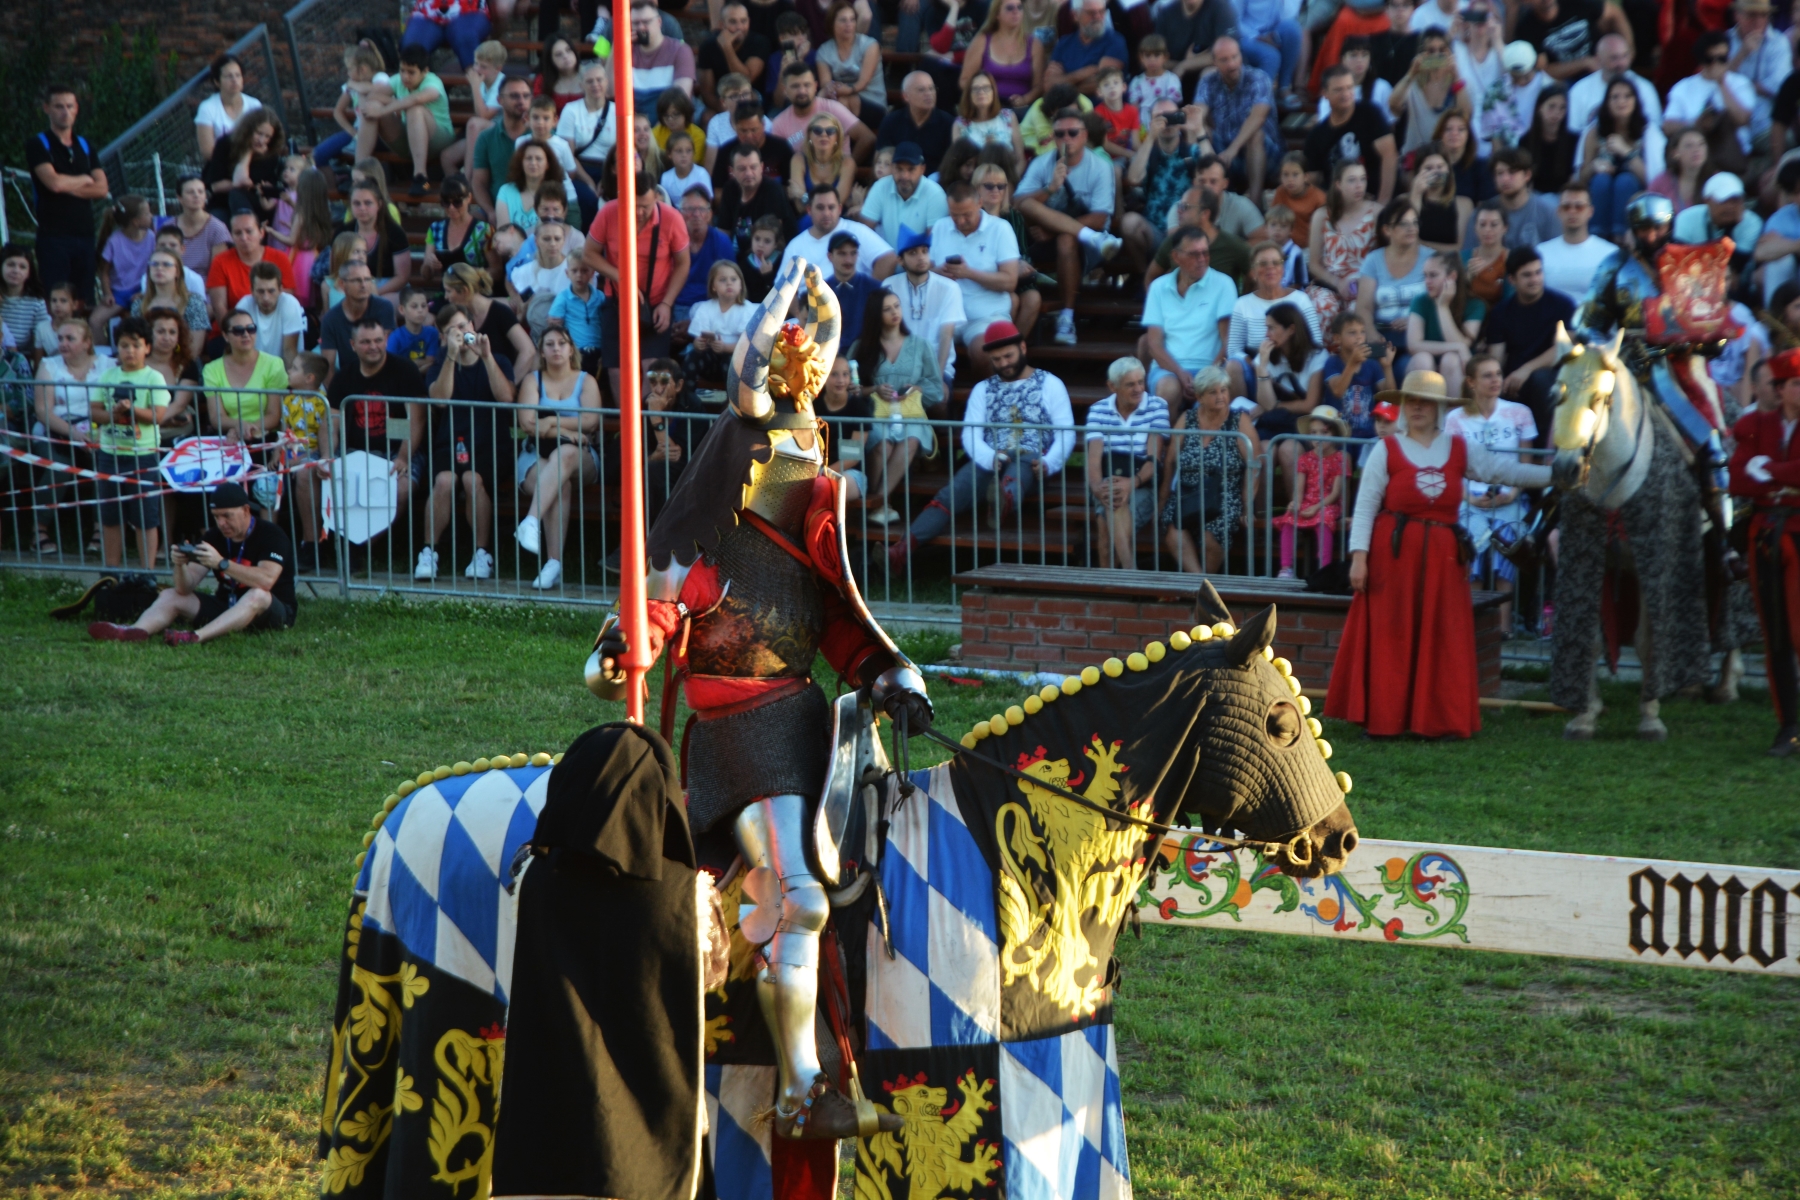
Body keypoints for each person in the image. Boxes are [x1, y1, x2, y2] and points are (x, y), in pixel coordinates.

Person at [590, 255, 926, 1148]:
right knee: (797, 896)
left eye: (812, 444)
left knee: (856, 874)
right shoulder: (709, 552)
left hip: (810, 732)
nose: (805, 458)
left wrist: (894, 677)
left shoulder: (807, 552)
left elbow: (845, 634)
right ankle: (800, 1093)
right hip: (739, 744)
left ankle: (853, 1034)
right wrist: (624, 647)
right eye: (791, 446)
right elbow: (649, 625)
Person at [884, 319, 1073, 569]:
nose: (1004, 363)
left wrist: (1050, 463)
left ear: (1023, 349)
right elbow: (971, 435)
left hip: (1033, 458)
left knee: (1016, 475)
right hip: (991, 458)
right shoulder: (982, 389)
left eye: (1008, 356)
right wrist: (989, 458)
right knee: (949, 495)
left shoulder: (1051, 384)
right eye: (997, 359)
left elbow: (1066, 433)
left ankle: (1003, 501)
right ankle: (901, 550)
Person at [91, 481, 299, 645]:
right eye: (216, 517)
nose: (221, 523)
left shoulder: (272, 535)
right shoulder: (214, 536)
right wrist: (180, 565)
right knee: (169, 594)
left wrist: (223, 564)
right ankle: (135, 631)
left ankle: (196, 636)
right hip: (227, 606)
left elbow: (266, 580)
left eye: (227, 516)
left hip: (271, 611)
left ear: (245, 510)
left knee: (258, 595)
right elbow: (184, 588)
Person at [1727, 344, 1800, 756]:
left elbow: (1759, 472)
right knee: (1776, 636)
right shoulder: (1756, 424)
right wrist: (1783, 482)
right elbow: (1738, 479)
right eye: (1793, 384)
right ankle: (1788, 725)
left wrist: (1769, 471)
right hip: (1765, 535)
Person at [414, 305, 514, 582]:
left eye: (462, 326)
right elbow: (440, 399)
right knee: (444, 480)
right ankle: (428, 552)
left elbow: (506, 398)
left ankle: (482, 554)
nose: (460, 333)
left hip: (491, 444)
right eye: (451, 331)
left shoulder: (499, 359)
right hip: (451, 443)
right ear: (444, 338)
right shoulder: (441, 364)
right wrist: (450, 358)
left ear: (472, 324)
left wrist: (487, 356)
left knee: (472, 479)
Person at [1446, 354, 1536, 629]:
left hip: (1509, 499)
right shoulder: (1455, 418)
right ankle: (1473, 627)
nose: (1496, 379)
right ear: (1471, 382)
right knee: (1471, 550)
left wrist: (1512, 492)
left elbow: (1526, 464)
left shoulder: (1520, 413)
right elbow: (1452, 468)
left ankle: (1502, 629)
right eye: (1487, 375)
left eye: (1498, 373)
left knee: (1505, 550)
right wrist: (1469, 497)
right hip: (1469, 500)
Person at [1016, 110, 1121, 346]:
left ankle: (1067, 316)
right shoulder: (1042, 163)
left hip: (1083, 244)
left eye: (1073, 133)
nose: (1067, 139)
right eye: (1060, 134)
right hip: (1043, 240)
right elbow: (1018, 204)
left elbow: (1100, 217)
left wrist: (1054, 230)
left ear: (1084, 136)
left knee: (1066, 238)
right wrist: (1050, 188)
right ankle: (1088, 237)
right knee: (1029, 202)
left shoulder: (1100, 166)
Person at [587, 170, 692, 397]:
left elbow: (683, 264)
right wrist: (623, 280)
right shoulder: (608, 213)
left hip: (656, 303)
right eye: (633, 205)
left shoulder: (672, 219)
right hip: (617, 300)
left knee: (651, 368)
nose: (638, 212)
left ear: (656, 197)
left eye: (645, 206)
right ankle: (624, 427)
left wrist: (666, 303)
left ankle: (645, 424)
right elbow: (589, 254)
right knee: (616, 370)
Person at [513, 326, 602, 590]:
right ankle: (554, 563)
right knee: (559, 482)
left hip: (581, 456)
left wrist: (550, 419)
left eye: (561, 343)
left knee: (565, 454)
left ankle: (530, 520)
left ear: (571, 348)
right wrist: (564, 429)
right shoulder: (533, 380)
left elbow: (591, 421)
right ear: (541, 351)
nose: (556, 349)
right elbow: (528, 424)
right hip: (535, 453)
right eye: (549, 344)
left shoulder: (586, 380)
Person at [325, 316, 426, 531]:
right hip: (351, 450)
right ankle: (312, 543)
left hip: (396, 450)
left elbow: (416, 419)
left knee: (402, 488)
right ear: (353, 345)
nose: (373, 347)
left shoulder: (405, 370)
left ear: (386, 340)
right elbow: (331, 424)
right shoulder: (344, 377)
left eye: (378, 340)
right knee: (307, 475)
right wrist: (326, 457)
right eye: (365, 342)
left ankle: (364, 546)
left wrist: (403, 457)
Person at [851, 288, 945, 519]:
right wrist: (874, 389)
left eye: (897, 306)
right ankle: (883, 505)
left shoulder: (920, 345)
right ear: (876, 314)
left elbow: (936, 387)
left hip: (911, 414)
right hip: (877, 415)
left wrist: (916, 389)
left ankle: (878, 504)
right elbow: (851, 391)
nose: (894, 312)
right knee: (883, 445)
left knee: (910, 440)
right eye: (887, 309)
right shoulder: (862, 346)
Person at [1157, 365, 1257, 572]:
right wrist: (1163, 497)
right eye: (1213, 392)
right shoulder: (1188, 419)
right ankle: (1200, 583)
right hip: (1187, 491)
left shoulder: (1239, 421)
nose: (1221, 396)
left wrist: (1247, 506)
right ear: (1200, 397)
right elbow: (1170, 461)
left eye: (1224, 390)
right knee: (1173, 528)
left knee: (1211, 536)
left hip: (1224, 493)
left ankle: (1202, 587)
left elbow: (1254, 464)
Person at [89, 318, 170, 570]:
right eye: (124, 345)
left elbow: (158, 416)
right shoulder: (108, 376)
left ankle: (147, 573)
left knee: (146, 517)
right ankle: (111, 570)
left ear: (147, 347)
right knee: (111, 517)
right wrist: (113, 413)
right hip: (109, 454)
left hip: (143, 455)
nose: (130, 351)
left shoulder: (154, 377)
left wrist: (131, 410)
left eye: (135, 345)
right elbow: (95, 413)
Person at [27, 318, 109, 553]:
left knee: (103, 464)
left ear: (86, 342)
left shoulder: (106, 364)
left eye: (70, 338)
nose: (62, 343)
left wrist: (100, 434)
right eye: (60, 338)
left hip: (98, 432)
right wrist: (74, 434)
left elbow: (112, 404)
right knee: (58, 467)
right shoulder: (48, 365)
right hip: (56, 431)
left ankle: (100, 529)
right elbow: (43, 411)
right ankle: (39, 530)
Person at [1084, 357, 1168, 569]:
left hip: (1142, 481)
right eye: (1130, 384)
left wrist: (1130, 483)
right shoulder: (1098, 409)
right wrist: (1097, 488)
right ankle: (1129, 579)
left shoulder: (1157, 406)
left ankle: (1115, 585)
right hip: (1106, 479)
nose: (1138, 388)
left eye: (1141, 382)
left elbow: (1153, 459)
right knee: (1112, 498)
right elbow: (1093, 460)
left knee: (1106, 527)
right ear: (1112, 386)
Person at [1481, 245, 1574, 435]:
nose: (1535, 279)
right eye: (1527, 275)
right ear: (1512, 280)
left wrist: (1526, 370)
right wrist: (1497, 381)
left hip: (1551, 376)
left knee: (1539, 380)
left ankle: (1544, 450)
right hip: (1513, 381)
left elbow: (1564, 347)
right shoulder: (1501, 312)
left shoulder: (1563, 305)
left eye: (1538, 272)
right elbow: (1496, 357)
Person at [1143, 226, 1239, 410]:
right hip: (1168, 369)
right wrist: (1179, 372)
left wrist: (1207, 377)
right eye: (1194, 254)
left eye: (1205, 253)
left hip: (1211, 368)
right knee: (1167, 389)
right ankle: (1163, 439)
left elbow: (1228, 341)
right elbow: (1154, 344)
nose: (1202, 259)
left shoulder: (1223, 284)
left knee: (1209, 397)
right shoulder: (1158, 287)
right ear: (1176, 257)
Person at [28, 85, 108, 304]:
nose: (65, 112)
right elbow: (53, 184)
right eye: (59, 106)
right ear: (47, 108)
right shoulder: (38, 144)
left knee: (85, 300)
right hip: (53, 236)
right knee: (56, 299)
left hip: (84, 235)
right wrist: (83, 179)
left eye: (69, 106)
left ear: (76, 109)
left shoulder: (85, 145)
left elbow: (101, 188)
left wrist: (66, 184)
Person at [1228, 242, 1323, 397]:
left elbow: (1316, 342)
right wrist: (1259, 367)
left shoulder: (1301, 299)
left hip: (1296, 372)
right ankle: (1242, 416)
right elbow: (1234, 350)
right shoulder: (1242, 304)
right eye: (1263, 264)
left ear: (1283, 269)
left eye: (1275, 263)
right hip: (1257, 373)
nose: (1270, 267)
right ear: (1253, 272)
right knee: (1232, 366)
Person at [1193, 36, 1280, 201]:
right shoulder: (1208, 81)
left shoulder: (1258, 78)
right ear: (1214, 62)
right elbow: (1198, 114)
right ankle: (1208, 199)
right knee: (1202, 133)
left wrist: (1232, 150)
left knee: (1255, 135)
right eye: (1224, 60)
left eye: (1235, 57)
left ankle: (1255, 202)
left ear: (1241, 56)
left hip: (1264, 154)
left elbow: (1258, 117)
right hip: (1223, 151)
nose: (1232, 64)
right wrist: (1198, 127)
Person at [359, 45, 453, 197]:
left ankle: (420, 177)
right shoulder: (398, 80)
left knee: (415, 109)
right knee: (372, 107)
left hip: (438, 139)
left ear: (425, 71)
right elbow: (372, 96)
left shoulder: (433, 82)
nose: (405, 77)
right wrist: (387, 105)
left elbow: (416, 99)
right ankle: (359, 172)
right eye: (402, 70)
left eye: (411, 72)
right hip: (410, 139)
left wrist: (384, 109)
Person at [1579, 76, 1663, 238]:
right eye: (1615, 97)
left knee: (1625, 181)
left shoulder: (1647, 132)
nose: (1621, 101)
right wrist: (1593, 167)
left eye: (1627, 96)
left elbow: (1652, 181)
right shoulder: (1595, 132)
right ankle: (1597, 236)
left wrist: (1626, 152)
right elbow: (1580, 179)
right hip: (1600, 193)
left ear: (1635, 100)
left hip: (1637, 195)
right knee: (1601, 180)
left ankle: (1621, 238)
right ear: (1607, 102)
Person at [884, 226, 965, 392]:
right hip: (899, 369)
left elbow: (946, 335)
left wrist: (936, 379)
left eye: (924, 251)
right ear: (901, 260)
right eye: (913, 253)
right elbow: (885, 333)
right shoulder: (889, 286)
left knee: (940, 398)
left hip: (936, 367)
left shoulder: (949, 287)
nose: (921, 257)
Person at [1273, 406, 1349, 578]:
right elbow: (1299, 490)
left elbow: (1335, 493)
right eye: (1314, 432)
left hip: (1328, 503)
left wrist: (1316, 508)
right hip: (1308, 502)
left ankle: (1324, 570)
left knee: (1324, 519)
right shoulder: (1305, 458)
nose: (1318, 438)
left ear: (1335, 434)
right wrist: (1296, 503)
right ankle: (1286, 568)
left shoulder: (1340, 459)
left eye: (1324, 433)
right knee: (1288, 519)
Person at [1304, 66, 1397, 206]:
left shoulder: (1370, 114)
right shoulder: (1316, 136)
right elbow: (1313, 181)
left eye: (1349, 87)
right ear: (1324, 93)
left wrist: (1382, 204)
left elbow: (1390, 156)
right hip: (1338, 208)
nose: (1346, 94)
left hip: (1374, 200)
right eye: (1338, 89)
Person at [1303, 160, 1380, 328]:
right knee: (1324, 308)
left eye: (1363, 179)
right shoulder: (1322, 215)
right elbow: (1314, 264)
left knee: (1356, 316)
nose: (1359, 186)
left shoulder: (1376, 212)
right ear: (1338, 184)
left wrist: (1363, 282)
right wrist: (1338, 283)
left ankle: (1354, 355)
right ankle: (1324, 354)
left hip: (1364, 284)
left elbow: (1384, 257)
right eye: (1352, 180)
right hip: (1330, 283)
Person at [1664, 31, 1757, 163]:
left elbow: (1742, 119)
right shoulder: (1683, 87)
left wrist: (1721, 84)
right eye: (1710, 59)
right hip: (1694, 158)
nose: (1716, 64)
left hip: (1733, 156)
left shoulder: (1740, 83)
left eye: (1721, 59)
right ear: (1701, 60)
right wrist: (1695, 124)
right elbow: (1668, 126)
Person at [1404, 251, 1484, 397]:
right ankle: (1422, 416)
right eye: (1425, 275)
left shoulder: (1475, 305)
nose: (1427, 281)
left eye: (1433, 275)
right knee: (1423, 359)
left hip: (1459, 369)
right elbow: (1414, 345)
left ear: (1451, 277)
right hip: (1423, 365)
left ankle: (1452, 417)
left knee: (1451, 359)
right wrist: (1458, 347)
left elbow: (1463, 343)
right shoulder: (1420, 301)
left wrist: (1442, 307)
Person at [1356, 198, 1427, 363]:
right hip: (1382, 336)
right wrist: (1373, 335)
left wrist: (1414, 319)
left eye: (1414, 223)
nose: (1411, 229)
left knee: (1412, 365)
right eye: (1403, 224)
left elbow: (1439, 304)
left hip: (1418, 338)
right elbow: (1363, 308)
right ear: (1387, 230)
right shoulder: (1373, 261)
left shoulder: (1430, 259)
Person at [204, 308, 287, 446]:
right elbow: (216, 417)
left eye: (251, 329)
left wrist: (247, 429)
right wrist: (239, 425)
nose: (246, 334)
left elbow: (274, 415)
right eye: (238, 330)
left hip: (265, 438)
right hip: (230, 438)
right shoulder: (211, 369)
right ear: (225, 336)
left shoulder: (274, 364)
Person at [1387, 27, 1468, 159]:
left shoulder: (1457, 84)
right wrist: (1411, 73)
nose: (1436, 55)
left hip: (1447, 158)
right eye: (1430, 51)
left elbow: (1466, 115)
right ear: (1421, 53)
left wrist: (1456, 77)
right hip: (1415, 158)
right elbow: (1393, 105)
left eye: (1442, 50)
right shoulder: (1412, 85)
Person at [1511, 0, 1635, 83]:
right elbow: (1545, 70)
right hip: (1567, 81)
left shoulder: (1576, 2)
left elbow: (1615, 14)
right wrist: (1585, 63)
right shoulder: (1526, 28)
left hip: (1605, 63)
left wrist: (1629, 49)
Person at [961, 0, 1049, 115]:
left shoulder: (1035, 45)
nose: (1016, 12)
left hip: (1023, 109)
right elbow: (965, 80)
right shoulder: (981, 41)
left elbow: (1039, 86)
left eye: (1019, 7)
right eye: (1009, 8)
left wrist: (1025, 99)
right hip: (988, 108)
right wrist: (986, 96)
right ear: (997, 14)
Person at [782, 187, 894, 276]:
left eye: (831, 207)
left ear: (839, 209)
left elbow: (889, 258)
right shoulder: (795, 246)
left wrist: (870, 295)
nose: (826, 213)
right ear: (809, 210)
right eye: (820, 208)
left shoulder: (857, 230)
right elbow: (783, 288)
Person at [772, 62, 874, 161]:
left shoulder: (832, 109)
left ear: (815, 86)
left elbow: (867, 138)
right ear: (785, 90)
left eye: (807, 85)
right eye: (795, 86)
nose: (802, 91)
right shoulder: (779, 124)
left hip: (838, 175)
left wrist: (849, 168)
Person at [207, 212, 294, 326]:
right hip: (234, 329)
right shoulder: (220, 262)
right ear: (231, 237)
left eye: (249, 231)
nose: (244, 237)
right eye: (238, 233)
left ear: (261, 233)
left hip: (274, 326)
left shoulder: (280, 258)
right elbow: (219, 307)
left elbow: (286, 300)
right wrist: (237, 332)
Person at [857, 142, 950, 249]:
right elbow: (864, 232)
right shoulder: (880, 187)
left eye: (911, 169)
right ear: (892, 168)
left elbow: (934, 244)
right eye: (899, 169)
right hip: (886, 260)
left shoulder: (935, 194)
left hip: (921, 263)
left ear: (922, 169)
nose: (904, 176)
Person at [1566, 32, 1662, 133]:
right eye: (1614, 58)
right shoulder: (1579, 90)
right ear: (1599, 59)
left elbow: (1655, 129)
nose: (1621, 63)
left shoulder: (1645, 88)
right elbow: (1574, 134)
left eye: (1625, 56)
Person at [1535, 183, 1614, 305]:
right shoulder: (1540, 253)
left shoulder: (1610, 254)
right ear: (1558, 211)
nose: (1572, 211)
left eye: (1579, 207)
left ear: (1590, 211)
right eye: (1566, 207)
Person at [202, 110, 286, 225]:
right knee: (234, 197)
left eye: (267, 137)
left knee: (237, 194)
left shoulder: (270, 155)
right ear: (248, 129)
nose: (262, 141)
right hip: (223, 203)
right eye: (259, 133)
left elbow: (267, 188)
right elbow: (217, 186)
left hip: (256, 204)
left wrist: (244, 186)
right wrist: (248, 153)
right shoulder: (225, 144)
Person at [319, 261, 398, 374]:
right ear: (342, 284)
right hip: (349, 379)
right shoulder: (331, 319)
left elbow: (388, 351)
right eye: (357, 280)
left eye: (367, 279)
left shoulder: (384, 308)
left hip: (384, 375)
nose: (363, 284)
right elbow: (328, 366)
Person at [1474, 148, 1560, 250]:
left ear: (1527, 175)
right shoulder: (1482, 214)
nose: (1505, 179)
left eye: (1512, 172)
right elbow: (1469, 256)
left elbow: (1557, 254)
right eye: (1500, 173)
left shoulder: (1548, 213)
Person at [473, 77, 535, 217]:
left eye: (526, 96)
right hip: (497, 208)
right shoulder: (486, 138)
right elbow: (479, 182)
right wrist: (490, 211)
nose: (521, 101)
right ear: (499, 100)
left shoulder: (542, 136)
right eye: (514, 96)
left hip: (535, 210)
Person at [130, 250, 208, 361]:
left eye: (166, 264)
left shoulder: (193, 302)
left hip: (184, 364)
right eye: (154, 264)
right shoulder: (139, 304)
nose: (159, 268)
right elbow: (135, 341)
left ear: (177, 272)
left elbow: (195, 348)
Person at [815, 0, 885, 124]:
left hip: (872, 101)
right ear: (832, 23)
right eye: (843, 20)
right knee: (836, 100)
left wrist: (846, 90)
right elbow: (825, 83)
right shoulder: (824, 50)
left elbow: (862, 83)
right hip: (841, 99)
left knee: (844, 101)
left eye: (852, 20)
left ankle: (847, 140)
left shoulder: (870, 45)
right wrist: (831, 89)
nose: (849, 24)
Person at [673, 189, 737, 322]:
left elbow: (730, 288)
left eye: (702, 209)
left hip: (710, 309)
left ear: (709, 215)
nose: (696, 214)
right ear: (679, 213)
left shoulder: (721, 241)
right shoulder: (670, 240)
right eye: (690, 209)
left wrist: (695, 322)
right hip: (673, 306)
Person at [699, 2, 774, 112]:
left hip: (752, 97)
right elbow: (707, 91)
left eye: (743, 21)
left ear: (749, 21)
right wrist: (724, 110)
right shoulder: (708, 46)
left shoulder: (760, 43)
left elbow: (745, 80)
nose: (739, 27)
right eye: (733, 22)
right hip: (722, 100)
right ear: (721, 25)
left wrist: (727, 48)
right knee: (707, 117)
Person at [710, 99, 796, 192]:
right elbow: (717, 191)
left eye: (754, 130)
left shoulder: (781, 148)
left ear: (763, 125)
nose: (749, 136)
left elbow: (791, 188)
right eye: (743, 131)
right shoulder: (726, 151)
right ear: (735, 128)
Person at [1046, 0, 1127, 97]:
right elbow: (1048, 86)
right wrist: (1081, 74)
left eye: (1101, 11)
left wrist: (1063, 81)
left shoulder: (1115, 41)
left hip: (1100, 109)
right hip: (1065, 108)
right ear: (1076, 15)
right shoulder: (1064, 43)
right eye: (1091, 13)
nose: (1097, 17)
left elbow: (1103, 83)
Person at [628, 0, 698, 110]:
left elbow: (680, 102)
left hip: (667, 122)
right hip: (635, 123)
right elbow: (609, 92)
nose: (641, 28)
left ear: (659, 22)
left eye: (646, 22)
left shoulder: (681, 51)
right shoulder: (626, 52)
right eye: (636, 23)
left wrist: (654, 128)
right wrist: (618, 46)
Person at [194, 54, 265, 161]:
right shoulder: (207, 108)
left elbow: (263, 141)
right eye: (229, 76)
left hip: (252, 162)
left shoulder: (254, 105)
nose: (234, 80)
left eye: (238, 75)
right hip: (221, 166)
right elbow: (208, 152)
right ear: (217, 82)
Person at [232, 262, 304, 365]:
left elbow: (289, 351)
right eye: (261, 291)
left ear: (280, 290)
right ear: (251, 290)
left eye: (271, 291)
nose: (266, 297)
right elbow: (239, 349)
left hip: (282, 370)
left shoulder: (290, 304)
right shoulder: (243, 306)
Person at [953, 71, 1029, 168]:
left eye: (986, 88)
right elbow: (959, 164)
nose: (981, 92)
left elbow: (1020, 160)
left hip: (1008, 177)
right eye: (975, 89)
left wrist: (1012, 182)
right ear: (968, 94)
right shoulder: (959, 124)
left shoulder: (1008, 116)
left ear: (994, 91)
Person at [823, 231, 882, 346]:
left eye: (853, 253)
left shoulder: (875, 288)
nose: (849, 260)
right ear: (830, 256)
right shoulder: (821, 291)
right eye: (842, 254)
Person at [788, 113, 856, 211]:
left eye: (830, 131)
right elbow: (800, 207)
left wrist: (804, 197)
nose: (824, 134)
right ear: (809, 136)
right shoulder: (798, 160)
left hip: (837, 221)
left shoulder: (847, 163)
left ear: (837, 137)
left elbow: (837, 205)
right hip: (808, 218)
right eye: (817, 130)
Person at [1519, 84, 1578, 195]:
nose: (1557, 112)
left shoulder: (1573, 140)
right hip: (1534, 195)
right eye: (1551, 106)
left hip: (1562, 196)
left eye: (1562, 108)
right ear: (1540, 107)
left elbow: (1573, 178)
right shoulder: (1525, 141)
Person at [402, 0, 492, 69]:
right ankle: (420, 89)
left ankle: (479, 87)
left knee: (466, 37)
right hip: (427, 13)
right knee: (412, 46)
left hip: (469, 11)